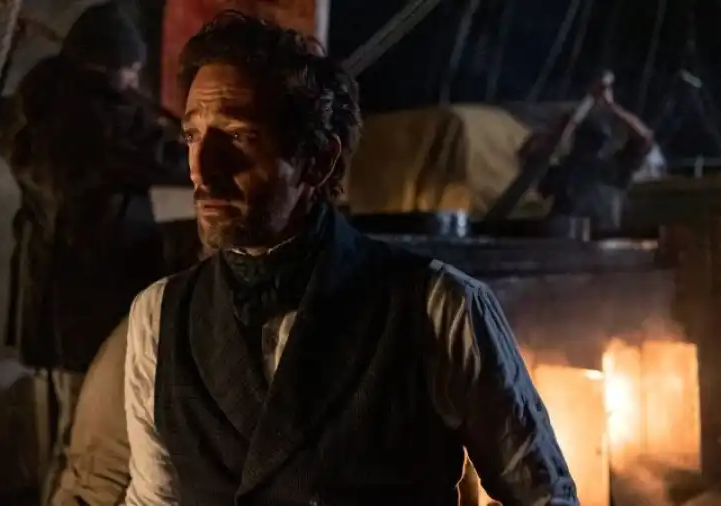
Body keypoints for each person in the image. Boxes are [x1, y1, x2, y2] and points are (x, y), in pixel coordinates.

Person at [97, 10, 579, 506]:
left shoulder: (438, 308)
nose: (202, 169)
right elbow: (154, 499)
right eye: (193, 136)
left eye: (239, 136)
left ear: (319, 160)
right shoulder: (159, 315)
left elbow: (542, 497)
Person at [0, 2, 189, 504]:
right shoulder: (104, 127)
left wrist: (5, 48)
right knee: (91, 444)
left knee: (65, 435)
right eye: (130, 69)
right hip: (99, 306)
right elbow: (183, 166)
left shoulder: (34, 112)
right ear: (105, 68)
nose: (135, 79)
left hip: (47, 304)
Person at [532, 76, 655, 233]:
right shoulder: (562, 170)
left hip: (601, 239)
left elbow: (644, 138)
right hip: (568, 239)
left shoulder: (614, 167)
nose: (589, 147)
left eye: (592, 141)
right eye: (586, 141)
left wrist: (610, 106)